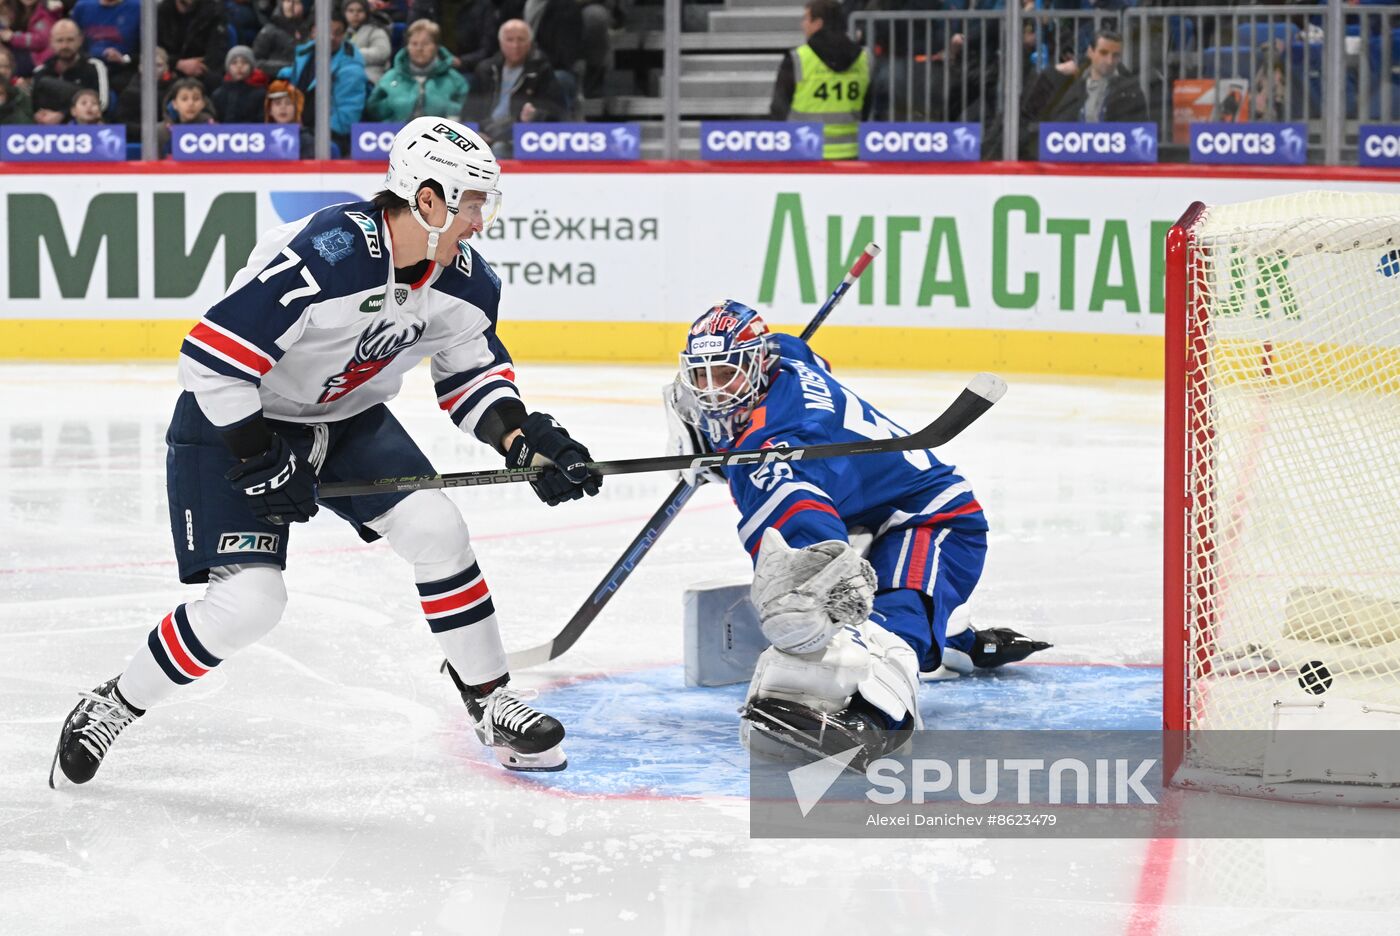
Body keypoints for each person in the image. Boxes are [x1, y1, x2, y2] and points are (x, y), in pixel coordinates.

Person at [50, 117, 601, 789]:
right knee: (249, 603)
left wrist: (523, 440)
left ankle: (490, 703)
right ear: (427, 199)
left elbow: (471, 377)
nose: (480, 222)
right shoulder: (329, 253)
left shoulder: (468, 282)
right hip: (237, 417)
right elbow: (213, 359)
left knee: (437, 528)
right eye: (471, 204)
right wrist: (258, 452)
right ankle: (114, 703)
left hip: (346, 420)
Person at [664, 302, 1049, 765]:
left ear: (758, 363)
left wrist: (813, 595)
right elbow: (804, 354)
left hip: (931, 515)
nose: (712, 391)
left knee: (888, 626)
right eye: (701, 375)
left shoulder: (770, 454)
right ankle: (956, 638)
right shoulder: (786, 356)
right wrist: (718, 447)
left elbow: (806, 537)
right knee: (880, 615)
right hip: (869, 509)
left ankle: (880, 720)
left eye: (726, 374)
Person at [1018, 28, 1147, 156]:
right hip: (1067, 161)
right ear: (1090, 52)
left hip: (1112, 163)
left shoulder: (1130, 89)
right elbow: (1029, 114)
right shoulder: (1066, 82)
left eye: (1115, 55)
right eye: (1103, 53)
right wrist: (1053, 74)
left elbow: (1141, 137)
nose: (1109, 61)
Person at [770, 0, 868, 159]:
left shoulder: (798, 58)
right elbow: (868, 106)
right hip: (851, 152)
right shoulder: (864, 59)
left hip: (805, 152)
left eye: (806, 19)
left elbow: (778, 108)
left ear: (818, 24)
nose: (803, 24)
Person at [462, 18, 563, 159]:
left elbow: (556, 111)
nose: (515, 45)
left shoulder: (541, 71)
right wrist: (476, 133)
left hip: (518, 136)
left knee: (499, 149)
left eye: (521, 40)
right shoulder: (485, 69)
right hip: (485, 132)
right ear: (501, 43)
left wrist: (534, 115)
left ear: (530, 43)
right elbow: (469, 110)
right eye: (510, 40)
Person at [278, 11, 366, 155]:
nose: (332, 37)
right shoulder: (305, 53)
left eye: (338, 33)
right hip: (299, 129)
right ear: (313, 32)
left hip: (332, 137)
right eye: (326, 31)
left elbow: (345, 117)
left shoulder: (351, 68)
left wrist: (311, 134)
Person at [366, 18, 468, 122]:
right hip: (395, 131)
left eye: (425, 44)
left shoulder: (456, 81)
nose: (419, 48)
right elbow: (373, 111)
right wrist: (390, 103)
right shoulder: (389, 78)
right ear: (407, 47)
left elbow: (464, 113)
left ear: (436, 47)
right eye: (414, 44)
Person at [30, 18, 110, 115]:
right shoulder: (40, 71)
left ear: (80, 40)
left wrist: (63, 115)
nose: (65, 46)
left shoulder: (94, 67)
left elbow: (102, 104)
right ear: (51, 42)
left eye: (70, 40)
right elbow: (33, 108)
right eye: (59, 40)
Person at [156, 0, 229, 93]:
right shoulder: (160, 13)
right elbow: (150, 52)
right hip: (167, 72)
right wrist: (177, 64)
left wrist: (197, 68)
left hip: (201, 75)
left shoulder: (214, 13)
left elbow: (216, 54)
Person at [1, 0, 62, 77]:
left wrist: (13, 37)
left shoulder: (45, 10)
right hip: (26, 60)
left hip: (41, 62)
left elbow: (42, 40)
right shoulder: (18, 9)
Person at [253, 0, 311, 79]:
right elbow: (256, 62)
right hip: (275, 81)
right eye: (288, 1)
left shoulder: (307, 31)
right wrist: (286, 67)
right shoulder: (269, 31)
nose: (291, 6)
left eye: (296, 2)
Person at [212, 44, 268, 123]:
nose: (239, 66)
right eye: (234, 63)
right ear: (228, 67)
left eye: (244, 62)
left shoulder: (260, 94)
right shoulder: (218, 95)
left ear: (251, 67)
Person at [342, 0, 391, 85]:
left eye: (360, 11)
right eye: (351, 11)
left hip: (370, 75)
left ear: (366, 12)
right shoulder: (342, 31)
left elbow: (383, 52)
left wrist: (354, 53)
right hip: (346, 73)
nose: (355, 14)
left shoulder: (376, 30)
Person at [264, 77, 314, 155]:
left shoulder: (306, 140)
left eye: (288, 103)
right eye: (277, 103)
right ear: (270, 110)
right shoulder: (261, 139)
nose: (283, 107)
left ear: (296, 109)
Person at [0, 43, 35, 123]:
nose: (3, 71)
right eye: (0, 66)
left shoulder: (20, 92)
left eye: (6, 66)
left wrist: (24, 93)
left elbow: (28, 120)